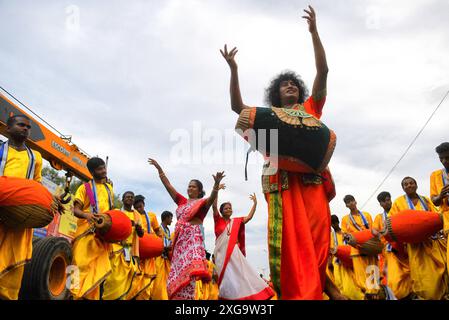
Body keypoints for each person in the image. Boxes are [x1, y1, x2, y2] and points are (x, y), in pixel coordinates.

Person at [220, 6, 339, 300]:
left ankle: (321, 291)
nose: (289, 86)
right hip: (282, 186)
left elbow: (323, 71)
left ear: (299, 91)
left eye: (293, 84)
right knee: (291, 245)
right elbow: (238, 108)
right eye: (284, 84)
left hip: (312, 184)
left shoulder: (311, 110)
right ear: (277, 93)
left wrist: (314, 33)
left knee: (318, 242)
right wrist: (234, 71)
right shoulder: (269, 119)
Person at [148, 158, 225, 300]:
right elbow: (168, 186)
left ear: (199, 190)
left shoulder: (202, 203)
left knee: (190, 273)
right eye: (189, 186)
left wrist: (216, 184)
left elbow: (211, 198)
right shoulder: (182, 201)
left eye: (193, 187)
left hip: (192, 242)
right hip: (179, 242)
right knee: (176, 275)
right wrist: (160, 170)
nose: (190, 189)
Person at [0, 115, 43, 300]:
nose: (25, 128)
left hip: (19, 221)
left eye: (28, 127)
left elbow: (37, 185)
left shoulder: (36, 157)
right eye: (21, 125)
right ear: (8, 129)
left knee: (13, 272)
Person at [389, 177, 448, 300]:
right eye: (406, 184)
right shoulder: (398, 202)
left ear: (416, 185)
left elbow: (436, 216)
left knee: (441, 270)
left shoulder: (426, 200)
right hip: (415, 247)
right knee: (423, 277)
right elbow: (393, 222)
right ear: (403, 188)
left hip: (432, 242)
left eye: (411, 183)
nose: (409, 186)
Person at [212, 184, 274, 299]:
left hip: (235, 253)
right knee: (226, 278)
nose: (229, 209)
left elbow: (249, 217)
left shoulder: (236, 222)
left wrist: (255, 204)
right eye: (226, 208)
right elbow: (214, 205)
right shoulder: (218, 220)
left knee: (243, 274)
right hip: (221, 255)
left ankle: (257, 295)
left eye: (230, 208)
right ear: (221, 211)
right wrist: (216, 189)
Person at [71, 157, 114, 300]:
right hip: (85, 235)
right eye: (100, 169)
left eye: (104, 167)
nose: (104, 171)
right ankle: (72, 296)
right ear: (92, 172)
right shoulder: (85, 188)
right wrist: (86, 215)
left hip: (102, 237)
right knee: (79, 267)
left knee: (96, 273)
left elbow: (111, 211)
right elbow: (75, 210)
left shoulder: (109, 189)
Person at [103, 191, 142, 300]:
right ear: (123, 200)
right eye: (127, 197)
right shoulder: (116, 212)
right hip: (115, 247)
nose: (130, 198)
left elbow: (141, 234)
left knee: (127, 278)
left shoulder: (137, 215)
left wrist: (138, 228)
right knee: (113, 278)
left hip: (128, 250)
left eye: (132, 197)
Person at [341, 195, 380, 298]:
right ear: (346, 205)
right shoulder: (345, 219)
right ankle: (367, 294)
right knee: (361, 276)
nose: (351, 203)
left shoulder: (366, 215)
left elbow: (372, 230)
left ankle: (374, 293)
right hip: (356, 251)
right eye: (348, 202)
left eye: (352, 201)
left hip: (369, 247)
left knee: (372, 271)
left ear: (355, 201)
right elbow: (345, 234)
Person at [329, 215, 364, 300]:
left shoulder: (346, 233)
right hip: (337, 264)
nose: (334, 225)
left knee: (352, 284)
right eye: (332, 224)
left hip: (349, 261)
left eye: (335, 222)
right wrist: (330, 262)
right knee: (339, 284)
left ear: (338, 222)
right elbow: (330, 250)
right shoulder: (330, 236)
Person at [430, 142, 449, 274]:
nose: (444, 161)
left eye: (447, 158)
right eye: (441, 158)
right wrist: (440, 196)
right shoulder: (435, 175)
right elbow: (434, 201)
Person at [151, 210, 174, 300]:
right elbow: (156, 243)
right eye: (171, 218)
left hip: (166, 260)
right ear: (166, 218)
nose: (171, 220)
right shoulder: (158, 229)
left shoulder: (168, 230)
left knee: (167, 281)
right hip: (159, 258)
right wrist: (165, 248)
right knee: (158, 282)